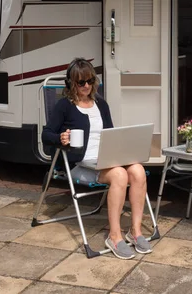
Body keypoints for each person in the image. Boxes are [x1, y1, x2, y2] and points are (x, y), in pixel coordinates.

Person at [41, 57, 152, 260]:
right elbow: (46, 134)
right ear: (71, 83)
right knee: (119, 175)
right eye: (81, 82)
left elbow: (110, 135)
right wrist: (60, 137)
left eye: (90, 81)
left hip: (105, 159)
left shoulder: (101, 104)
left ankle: (135, 232)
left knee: (136, 170)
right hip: (80, 163)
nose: (86, 86)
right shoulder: (64, 106)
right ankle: (115, 236)